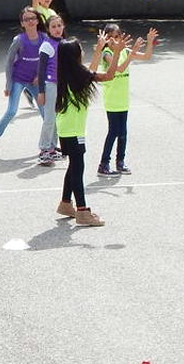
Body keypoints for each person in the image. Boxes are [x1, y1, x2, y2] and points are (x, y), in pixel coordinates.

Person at [55, 31, 129, 226]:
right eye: (80, 49)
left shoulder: (68, 72)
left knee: (73, 164)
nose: (83, 52)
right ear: (75, 55)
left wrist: (98, 50)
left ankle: (65, 203)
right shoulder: (79, 75)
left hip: (65, 127)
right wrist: (117, 53)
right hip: (74, 129)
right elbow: (109, 75)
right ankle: (82, 211)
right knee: (78, 167)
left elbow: (89, 71)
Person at [91, 23, 158, 177]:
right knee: (113, 131)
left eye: (117, 37)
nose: (115, 40)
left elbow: (146, 56)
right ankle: (103, 164)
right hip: (112, 100)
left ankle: (120, 162)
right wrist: (131, 53)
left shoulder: (124, 51)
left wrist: (149, 41)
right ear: (106, 40)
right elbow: (119, 68)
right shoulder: (106, 53)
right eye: (112, 38)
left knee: (123, 133)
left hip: (123, 99)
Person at [0, 7, 47, 153]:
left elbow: (49, 60)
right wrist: (8, 84)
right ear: (22, 23)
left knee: (46, 112)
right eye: (26, 19)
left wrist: (40, 76)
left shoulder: (44, 38)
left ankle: (50, 144)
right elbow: (9, 62)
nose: (30, 21)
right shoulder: (19, 40)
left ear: (37, 20)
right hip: (18, 79)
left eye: (33, 18)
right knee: (11, 111)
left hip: (35, 81)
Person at [25, 0, 58, 109]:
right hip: (41, 45)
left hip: (51, 45)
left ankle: (31, 91)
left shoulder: (52, 12)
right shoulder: (38, 9)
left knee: (47, 70)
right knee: (42, 70)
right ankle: (33, 92)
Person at [36, 15, 66, 166]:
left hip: (60, 85)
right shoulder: (46, 46)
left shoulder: (64, 43)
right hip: (49, 85)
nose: (57, 29)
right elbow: (41, 72)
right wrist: (41, 92)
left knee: (56, 118)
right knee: (49, 118)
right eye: (53, 27)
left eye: (59, 26)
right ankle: (44, 150)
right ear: (48, 29)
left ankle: (52, 148)